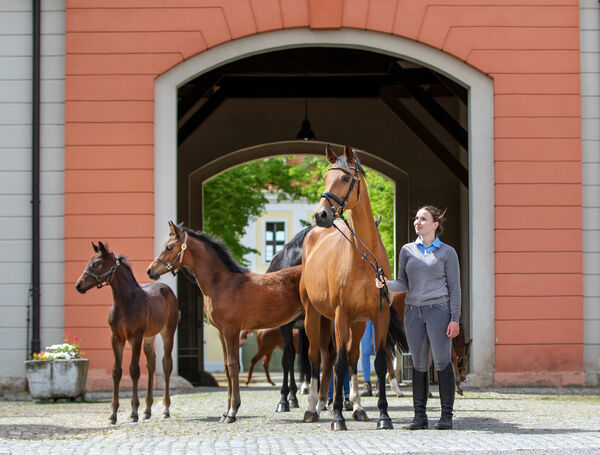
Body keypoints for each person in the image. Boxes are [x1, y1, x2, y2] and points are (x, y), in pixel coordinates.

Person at [376, 205, 460, 430]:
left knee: (442, 363)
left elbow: (455, 289)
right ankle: (420, 417)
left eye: (423, 219)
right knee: (419, 364)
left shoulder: (447, 253)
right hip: (413, 313)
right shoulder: (407, 250)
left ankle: (446, 417)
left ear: (435, 225)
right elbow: (403, 283)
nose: (418, 222)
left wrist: (454, 318)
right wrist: (386, 284)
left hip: (438, 311)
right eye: (416, 218)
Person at [359, 321, 375, 396]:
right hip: (365, 316)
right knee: (365, 351)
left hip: (378, 312)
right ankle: (367, 384)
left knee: (378, 349)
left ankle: (380, 383)